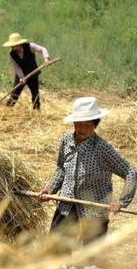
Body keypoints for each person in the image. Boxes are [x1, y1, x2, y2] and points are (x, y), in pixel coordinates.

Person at [39, 97, 137, 244]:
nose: (82, 129)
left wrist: (122, 201)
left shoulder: (102, 148)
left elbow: (130, 172)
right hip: (67, 203)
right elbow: (61, 168)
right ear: (73, 123)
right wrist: (50, 189)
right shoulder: (66, 140)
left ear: (95, 124)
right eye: (79, 124)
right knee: (57, 247)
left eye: (88, 124)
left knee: (91, 255)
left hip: (94, 208)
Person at [3, 33, 50, 110]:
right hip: (20, 77)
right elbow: (17, 67)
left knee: (35, 94)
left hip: (33, 74)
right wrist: (22, 78)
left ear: (20, 43)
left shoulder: (30, 46)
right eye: (12, 46)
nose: (13, 48)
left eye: (15, 45)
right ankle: (7, 110)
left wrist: (46, 58)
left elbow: (42, 49)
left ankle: (36, 111)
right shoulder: (12, 54)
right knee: (15, 94)